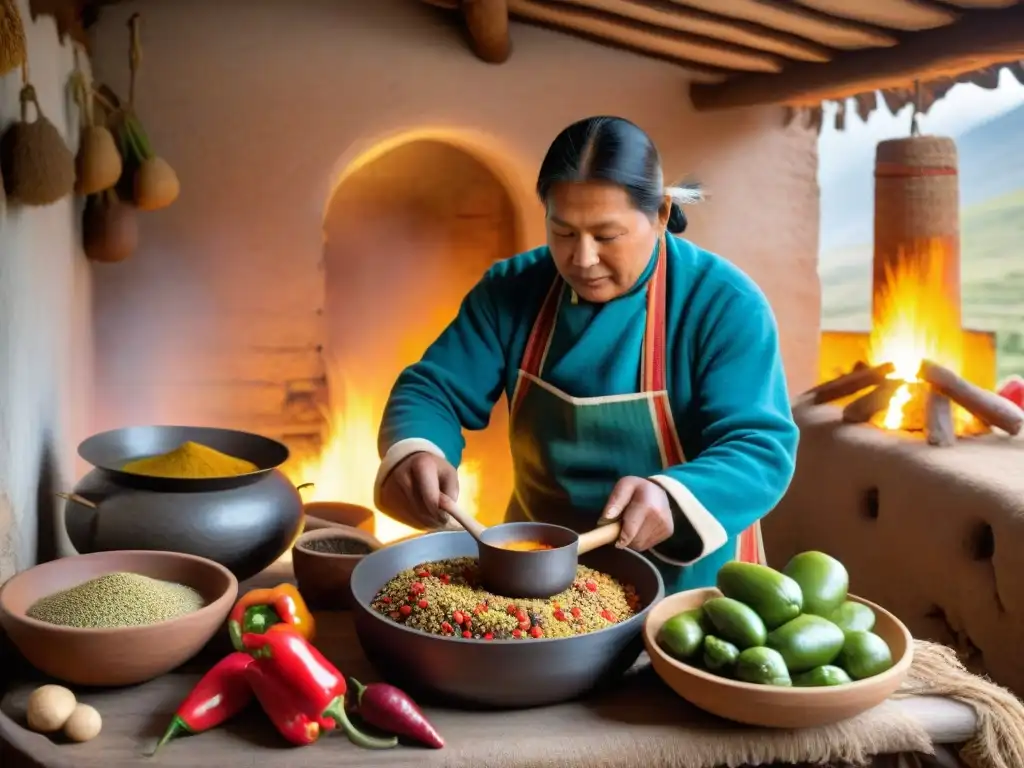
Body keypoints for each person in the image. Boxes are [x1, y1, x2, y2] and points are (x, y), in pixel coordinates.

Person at [373, 116, 799, 593]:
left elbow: (760, 447)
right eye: (564, 233)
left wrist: (672, 495)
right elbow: (433, 390)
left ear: (660, 214)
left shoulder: (723, 303)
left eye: (606, 235)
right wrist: (419, 450)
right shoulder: (511, 289)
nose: (583, 258)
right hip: (540, 582)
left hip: (691, 591)